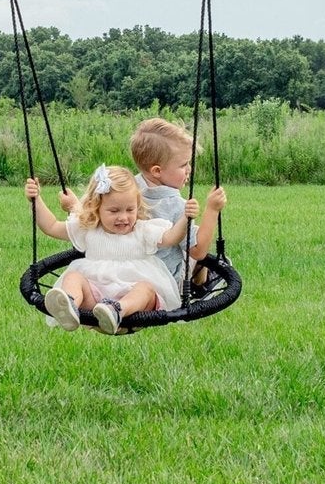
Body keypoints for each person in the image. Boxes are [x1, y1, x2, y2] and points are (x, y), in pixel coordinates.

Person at [26, 164, 197, 335]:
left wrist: (185, 218)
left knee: (146, 289)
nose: (123, 217)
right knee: (73, 277)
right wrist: (36, 200)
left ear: (137, 206)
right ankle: (70, 305)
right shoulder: (88, 229)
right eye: (114, 211)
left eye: (130, 209)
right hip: (94, 302)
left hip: (134, 306)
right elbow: (51, 226)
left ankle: (117, 310)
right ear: (97, 208)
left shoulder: (143, 230)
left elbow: (171, 237)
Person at [128, 115, 228, 290]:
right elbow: (198, 251)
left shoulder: (126, 189)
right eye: (183, 165)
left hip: (128, 276)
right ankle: (199, 284)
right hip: (164, 283)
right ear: (157, 171)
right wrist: (212, 210)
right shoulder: (177, 206)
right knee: (196, 246)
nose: (189, 169)